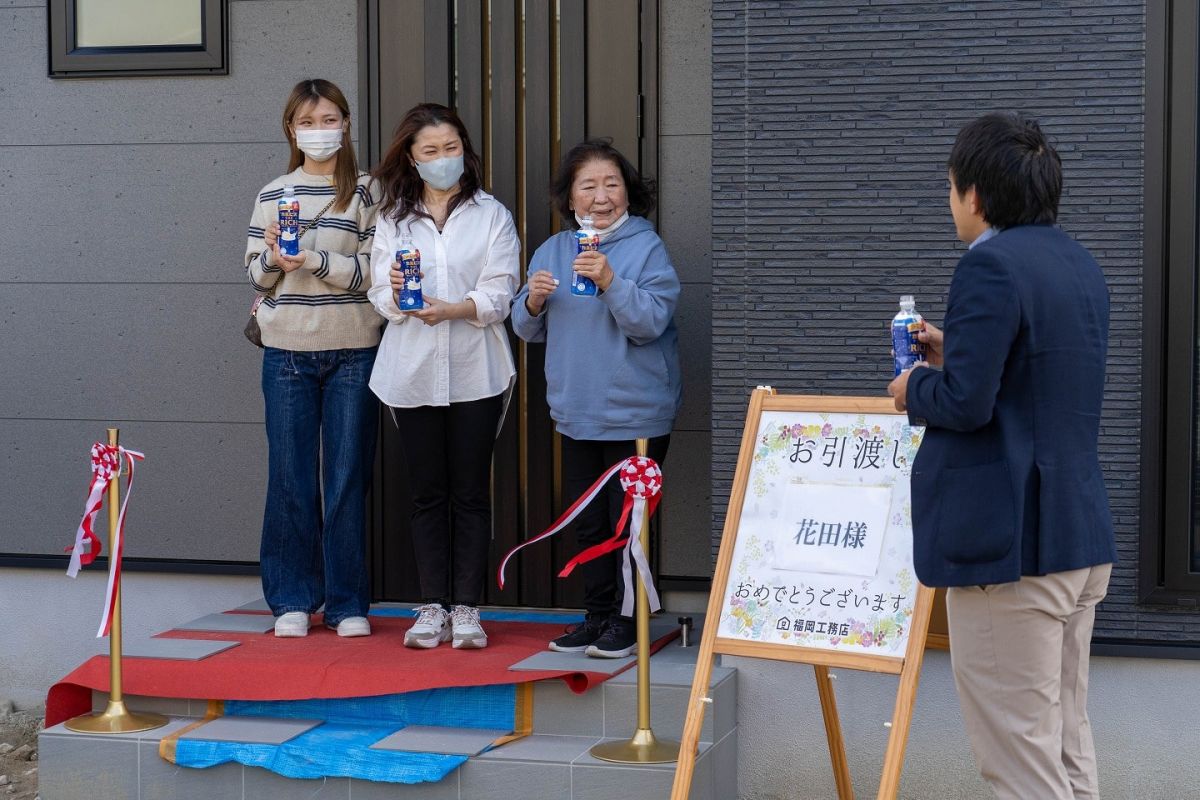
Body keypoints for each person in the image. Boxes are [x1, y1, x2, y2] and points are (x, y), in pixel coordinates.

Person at [887, 112, 1116, 800]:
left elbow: (967, 404)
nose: (952, 203)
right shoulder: (1079, 264)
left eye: (953, 189)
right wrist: (954, 350)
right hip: (1076, 537)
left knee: (1020, 767)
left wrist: (913, 386)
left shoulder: (988, 264)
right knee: (1065, 744)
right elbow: (1033, 382)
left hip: (1010, 552)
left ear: (976, 196)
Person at [513, 139, 682, 659]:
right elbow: (525, 327)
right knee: (588, 521)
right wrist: (535, 299)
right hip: (576, 412)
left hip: (635, 415)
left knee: (626, 524)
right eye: (588, 186)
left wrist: (611, 282)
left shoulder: (646, 247)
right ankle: (596, 616)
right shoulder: (553, 250)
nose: (601, 196)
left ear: (629, 193)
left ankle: (630, 626)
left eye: (612, 184)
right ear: (570, 199)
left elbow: (651, 322)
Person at [368, 103, 520, 650]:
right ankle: (433, 605)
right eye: (429, 151)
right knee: (427, 492)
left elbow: (501, 290)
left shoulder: (491, 214)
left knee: (471, 492)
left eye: (450, 148)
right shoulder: (392, 218)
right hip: (411, 372)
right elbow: (380, 297)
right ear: (411, 158)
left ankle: (469, 608)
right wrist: (394, 291)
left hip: (476, 370)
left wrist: (455, 310)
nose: (441, 159)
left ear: (466, 152)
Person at [245, 79, 381, 638]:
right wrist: (278, 258)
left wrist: (318, 259)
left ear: (346, 124)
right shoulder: (274, 192)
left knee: (348, 476)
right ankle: (292, 598)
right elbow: (254, 273)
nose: (319, 130)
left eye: (329, 119)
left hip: (354, 348)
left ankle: (348, 602)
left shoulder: (369, 191)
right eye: (308, 121)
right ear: (291, 129)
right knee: (290, 476)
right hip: (286, 352)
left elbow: (376, 272)